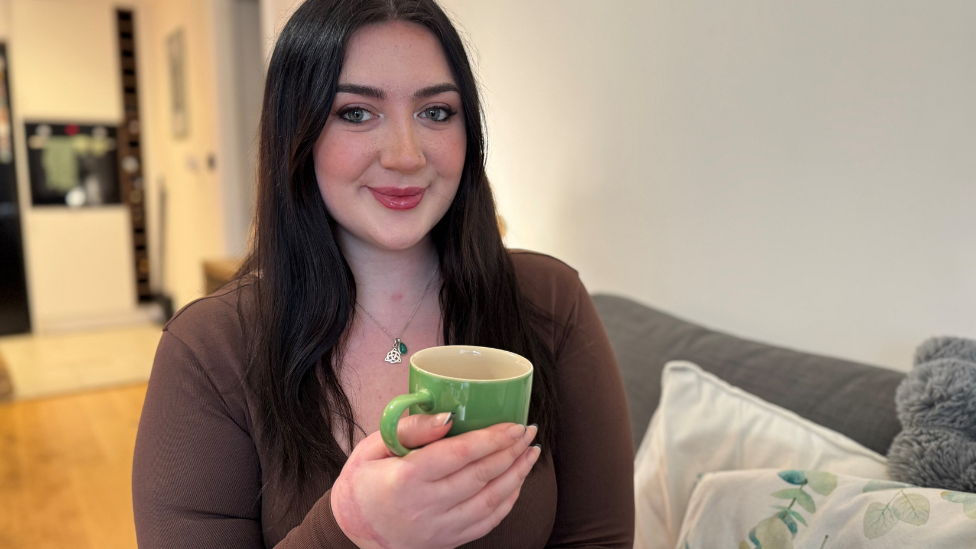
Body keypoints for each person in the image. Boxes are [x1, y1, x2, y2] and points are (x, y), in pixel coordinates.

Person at [132, 0, 634, 547]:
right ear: (295, 135)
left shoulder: (549, 301)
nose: (405, 154)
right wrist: (355, 530)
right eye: (356, 112)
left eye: (436, 112)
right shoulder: (210, 350)